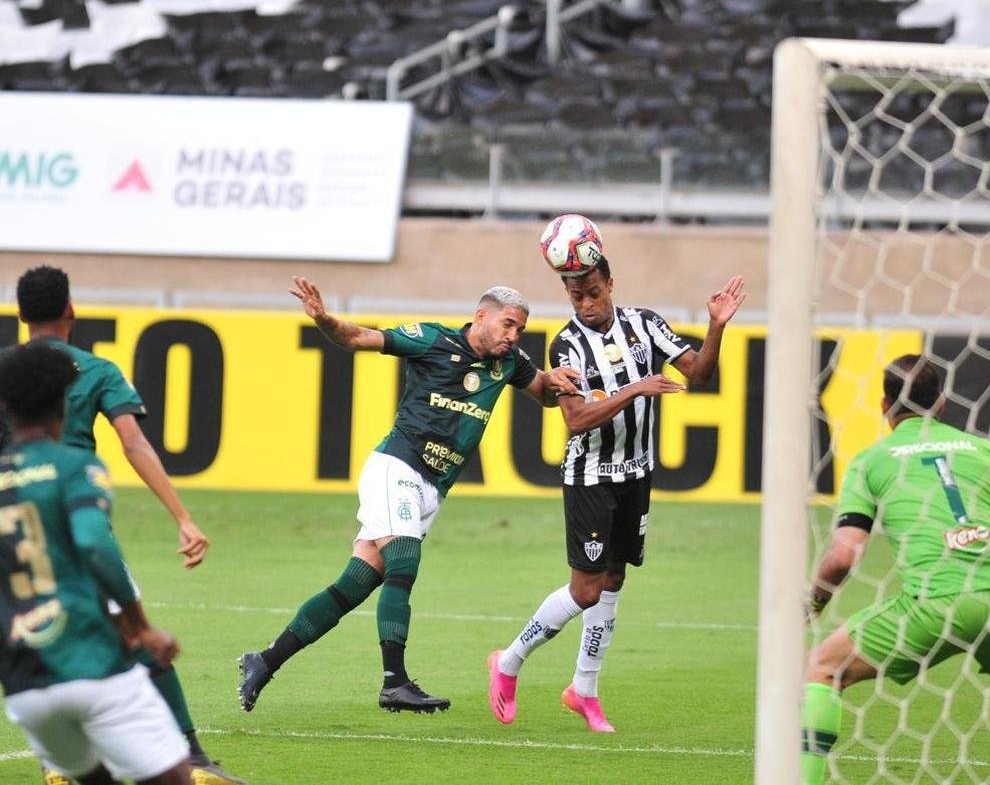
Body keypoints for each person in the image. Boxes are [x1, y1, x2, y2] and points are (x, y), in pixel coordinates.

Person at [238, 278, 579, 714]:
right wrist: (324, 319)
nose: (514, 336)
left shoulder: (509, 361)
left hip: (431, 488)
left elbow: (544, 395)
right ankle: (394, 682)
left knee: (355, 584)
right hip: (396, 465)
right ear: (481, 316)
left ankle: (264, 661)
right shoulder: (432, 340)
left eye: (520, 329)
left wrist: (557, 381)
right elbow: (358, 337)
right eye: (508, 324)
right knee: (404, 561)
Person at [799, 355, 990, 784]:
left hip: (936, 603)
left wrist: (813, 604)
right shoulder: (988, 452)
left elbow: (844, 555)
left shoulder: (870, 461)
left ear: (884, 406)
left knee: (822, 668)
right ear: (941, 404)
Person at [489, 252, 746, 732]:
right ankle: (508, 661)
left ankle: (583, 689)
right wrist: (635, 389)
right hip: (590, 476)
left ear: (610, 283)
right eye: (575, 296)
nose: (585, 304)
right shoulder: (566, 345)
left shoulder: (645, 325)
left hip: (636, 473)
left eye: (593, 292)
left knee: (613, 580)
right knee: (585, 589)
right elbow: (575, 418)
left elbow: (700, 374)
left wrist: (716, 327)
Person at [15, 266, 242, 785]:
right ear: (71, 311)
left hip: (11, 519)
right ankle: (192, 757)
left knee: (33, 625)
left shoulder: (7, 369)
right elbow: (134, 444)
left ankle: (58, 763)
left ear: (22, 314)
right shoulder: (96, 371)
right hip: (71, 510)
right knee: (133, 628)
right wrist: (182, 517)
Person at [0, 341, 192, 785]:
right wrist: (140, 627)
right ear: (62, 404)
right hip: (92, 666)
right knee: (174, 778)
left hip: (25, 686)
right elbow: (94, 544)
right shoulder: (74, 466)